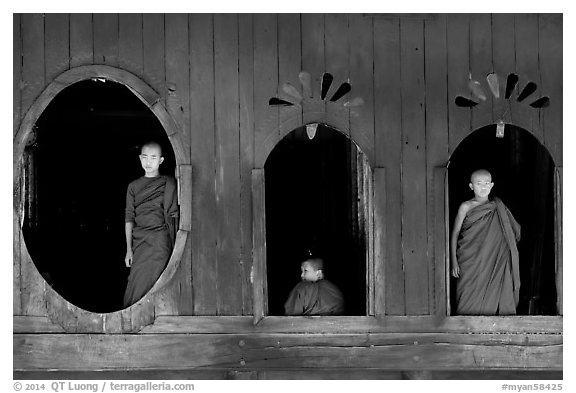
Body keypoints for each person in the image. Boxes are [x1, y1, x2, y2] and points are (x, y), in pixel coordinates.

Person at [450, 169, 521, 315]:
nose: (483, 187)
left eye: (486, 183)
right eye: (478, 183)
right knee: (467, 297)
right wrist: (454, 262)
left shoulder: (499, 208)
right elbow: (455, 233)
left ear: (492, 185)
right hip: (470, 260)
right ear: (471, 186)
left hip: (494, 259)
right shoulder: (466, 207)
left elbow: (513, 232)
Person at [123, 141, 179, 307]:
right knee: (136, 281)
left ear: (160, 160)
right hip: (140, 241)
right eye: (145, 157)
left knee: (158, 281)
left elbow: (173, 212)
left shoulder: (168, 184)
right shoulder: (133, 187)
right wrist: (128, 249)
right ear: (140, 158)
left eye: (153, 158)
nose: (148, 162)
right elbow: (129, 218)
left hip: (160, 241)